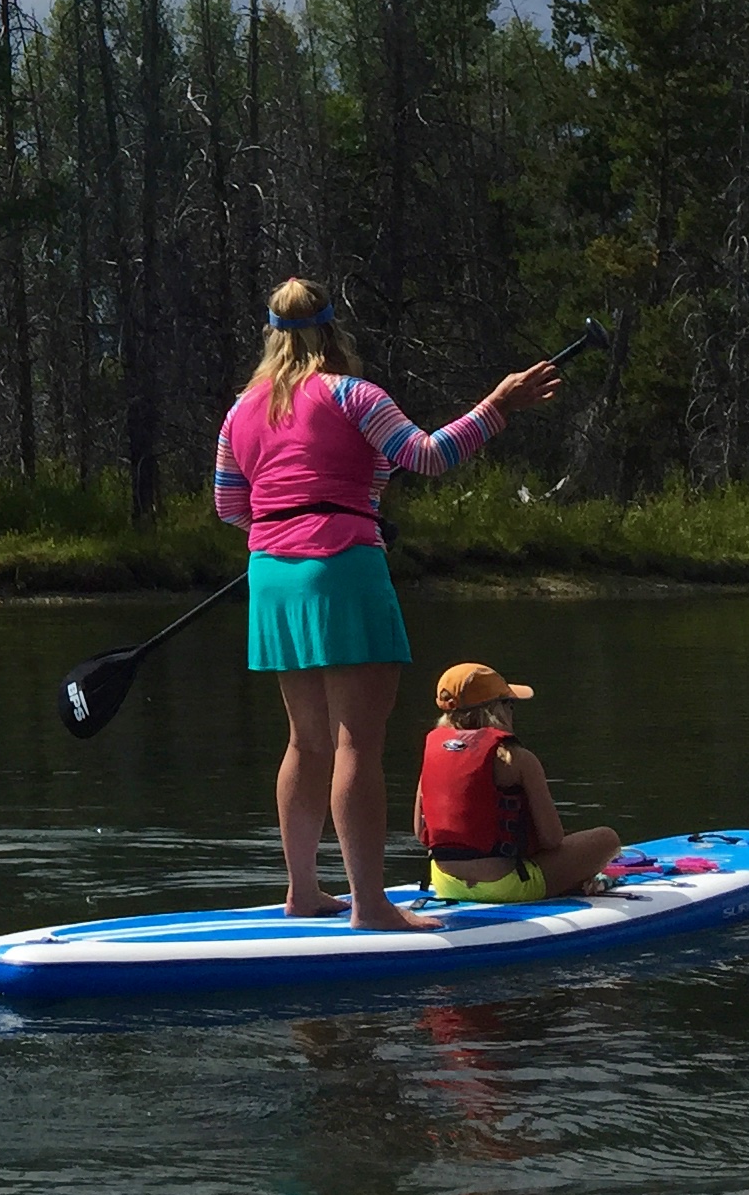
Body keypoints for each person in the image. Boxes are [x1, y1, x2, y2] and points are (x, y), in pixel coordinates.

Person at [213, 278, 559, 929]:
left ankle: (303, 891)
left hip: (270, 576)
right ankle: (370, 906)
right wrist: (498, 405)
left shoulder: (241, 412)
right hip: (342, 568)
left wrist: (313, 513)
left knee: (305, 741)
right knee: (355, 744)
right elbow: (426, 457)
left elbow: (231, 507)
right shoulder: (353, 394)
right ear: (334, 331)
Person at [414, 661, 620, 902]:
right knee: (607, 839)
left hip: (445, 883)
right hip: (507, 887)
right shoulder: (517, 758)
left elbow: (420, 833)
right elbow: (552, 839)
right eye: (509, 703)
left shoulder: (433, 753)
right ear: (497, 709)